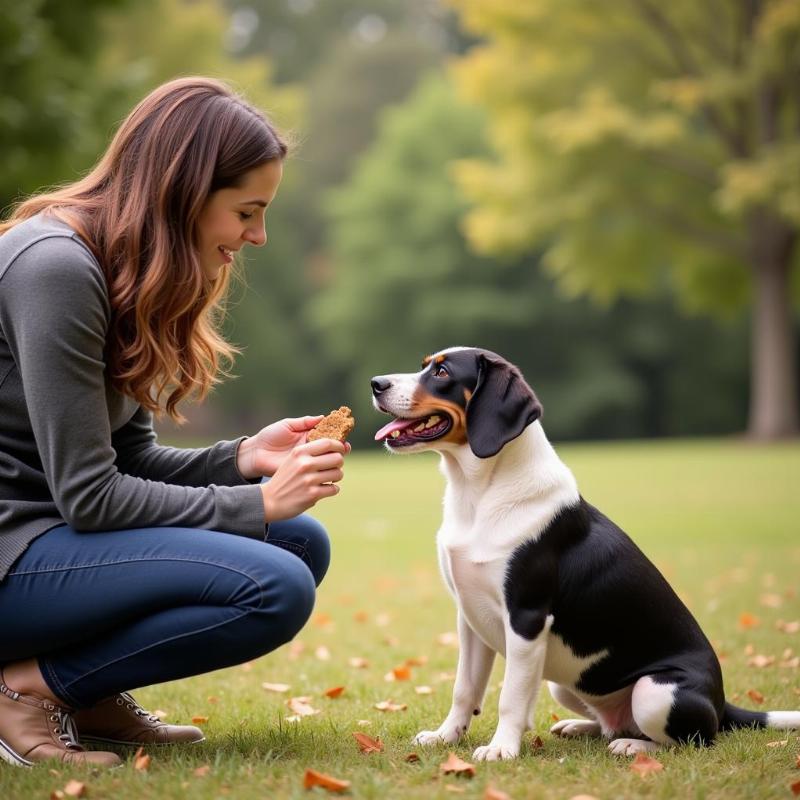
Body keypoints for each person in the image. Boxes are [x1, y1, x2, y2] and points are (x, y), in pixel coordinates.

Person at [0, 77, 349, 768]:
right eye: (246, 211)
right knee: (274, 583)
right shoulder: (56, 269)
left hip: (53, 541)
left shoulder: (118, 270)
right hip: (14, 552)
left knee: (299, 541)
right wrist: (254, 502)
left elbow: (125, 464)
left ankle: (87, 696)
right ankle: (27, 692)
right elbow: (93, 498)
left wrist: (244, 457)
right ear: (186, 191)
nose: (259, 235)